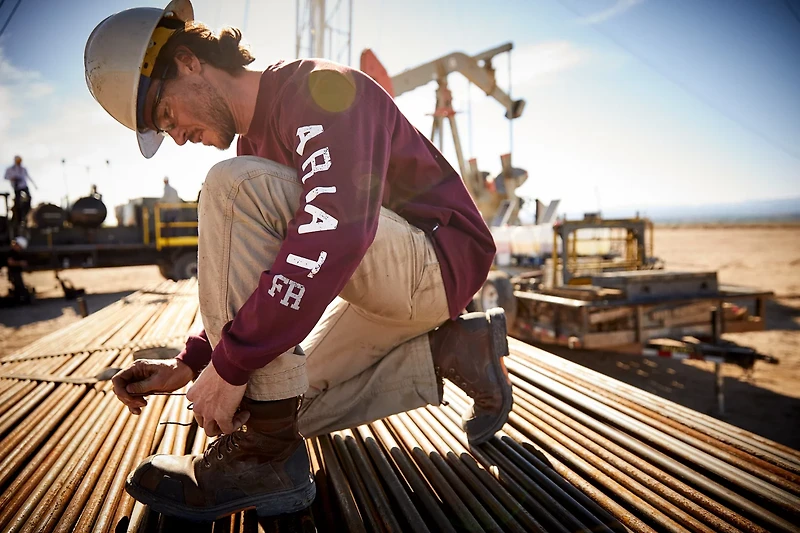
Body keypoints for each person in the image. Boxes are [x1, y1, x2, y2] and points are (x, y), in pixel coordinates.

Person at [85, 0, 510, 522]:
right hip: (387, 287)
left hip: (437, 262)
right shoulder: (254, 147)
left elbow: (338, 228)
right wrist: (191, 362)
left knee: (232, 187)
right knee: (285, 406)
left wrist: (231, 365)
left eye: (167, 115)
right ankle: (455, 349)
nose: (175, 136)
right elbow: (263, 273)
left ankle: (265, 457)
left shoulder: (317, 90)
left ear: (188, 62)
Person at [4, 156, 37, 228]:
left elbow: (28, 177)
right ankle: (19, 216)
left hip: (24, 186)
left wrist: (35, 185)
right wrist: (12, 178)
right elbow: (5, 177)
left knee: (29, 197)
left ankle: (26, 211)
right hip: (16, 187)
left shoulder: (23, 169)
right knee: (18, 201)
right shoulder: (10, 169)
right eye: (18, 161)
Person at [5, 236, 32, 304]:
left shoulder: (17, 253)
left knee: (19, 286)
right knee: (18, 286)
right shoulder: (11, 252)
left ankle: (20, 299)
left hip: (17, 272)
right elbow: (10, 262)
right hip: (13, 273)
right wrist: (20, 263)